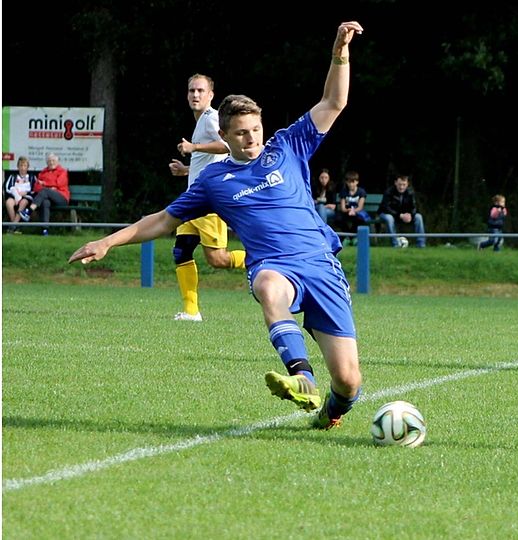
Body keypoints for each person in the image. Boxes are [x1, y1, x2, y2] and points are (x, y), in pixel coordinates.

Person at [69, 21, 366, 430]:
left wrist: (339, 51)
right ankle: (302, 376)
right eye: (241, 133)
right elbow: (162, 220)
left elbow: (334, 101)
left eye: (256, 130)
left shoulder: (286, 145)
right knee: (267, 287)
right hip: (273, 264)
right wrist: (108, 241)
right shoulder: (214, 180)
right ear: (223, 135)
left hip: (321, 264)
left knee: (349, 381)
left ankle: (331, 409)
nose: (251, 139)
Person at [167, 73, 247, 322]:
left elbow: (227, 146)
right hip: (194, 199)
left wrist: (194, 147)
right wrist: (187, 170)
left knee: (218, 259)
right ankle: (191, 311)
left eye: (201, 91)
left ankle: (263, 254)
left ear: (211, 95)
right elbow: (214, 160)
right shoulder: (202, 120)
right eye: (192, 90)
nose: (195, 95)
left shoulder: (212, 118)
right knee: (182, 251)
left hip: (209, 203)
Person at [19, 153, 69, 228]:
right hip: (48, 198)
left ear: (57, 162)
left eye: (53, 160)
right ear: (47, 163)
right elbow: (36, 187)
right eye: (49, 161)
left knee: (45, 191)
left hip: (61, 197)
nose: (51, 162)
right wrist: (50, 187)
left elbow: (59, 184)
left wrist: (44, 183)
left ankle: (28, 211)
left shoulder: (62, 171)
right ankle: (45, 230)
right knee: (45, 202)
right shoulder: (43, 172)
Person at [379, 174, 426, 248]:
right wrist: (400, 215)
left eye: (404, 185)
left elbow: (414, 207)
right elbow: (386, 208)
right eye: (400, 184)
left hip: (404, 215)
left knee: (418, 217)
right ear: (395, 183)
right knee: (389, 218)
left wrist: (410, 215)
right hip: (387, 214)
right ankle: (395, 244)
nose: (401, 187)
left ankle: (421, 244)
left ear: (407, 184)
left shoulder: (410, 192)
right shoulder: (389, 192)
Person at [335, 170, 370, 240]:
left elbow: (360, 207)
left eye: (353, 182)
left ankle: (351, 237)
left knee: (360, 220)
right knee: (338, 219)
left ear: (357, 182)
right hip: (346, 212)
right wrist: (348, 210)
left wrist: (354, 210)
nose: (351, 184)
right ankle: (348, 235)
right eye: (349, 182)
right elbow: (343, 208)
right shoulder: (344, 192)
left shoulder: (361, 192)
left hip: (357, 212)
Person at [4, 156, 36, 223]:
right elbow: (7, 188)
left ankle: (13, 226)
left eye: (25, 166)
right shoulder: (13, 176)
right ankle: (14, 224)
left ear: (28, 167)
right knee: (8, 202)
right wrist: (16, 195)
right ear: (18, 166)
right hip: (14, 197)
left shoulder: (32, 177)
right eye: (21, 165)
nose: (23, 168)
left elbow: (35, 189)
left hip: (26, 198)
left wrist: (26, 193)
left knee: (23, 202)